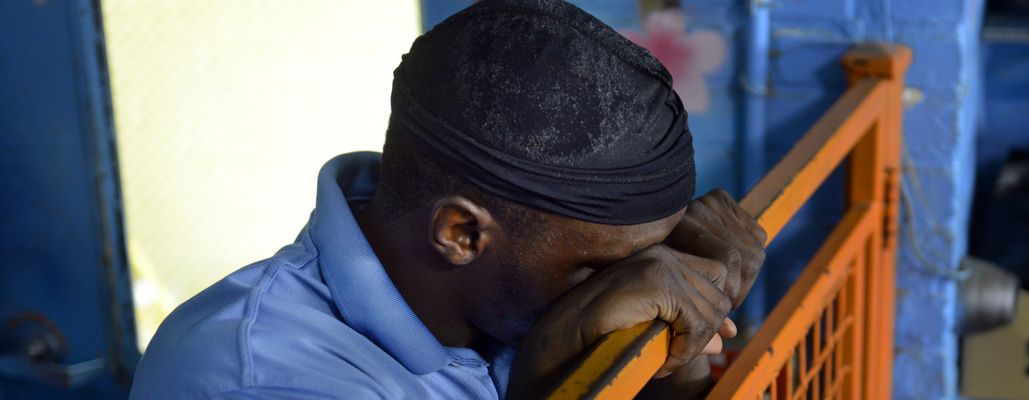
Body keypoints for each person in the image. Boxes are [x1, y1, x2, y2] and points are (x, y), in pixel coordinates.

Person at [130, 0, 765, 398]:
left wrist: (681, 341)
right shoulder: (256, 377)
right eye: (602, 269)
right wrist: (547, 379)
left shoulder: (496, 295)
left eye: (651, 257)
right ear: (461, 233)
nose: (635, 283)